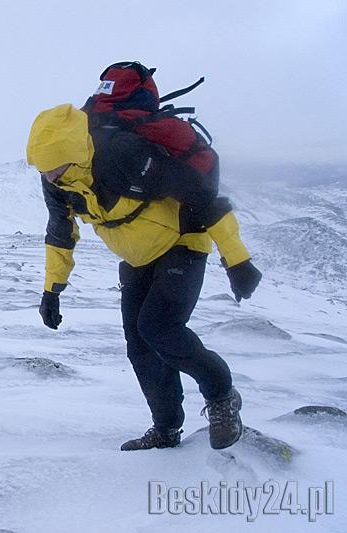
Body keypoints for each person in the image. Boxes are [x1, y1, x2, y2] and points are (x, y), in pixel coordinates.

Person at [25, 63, 262, 451]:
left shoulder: (123, 155)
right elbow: (61, 234)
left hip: (183, 243)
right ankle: (167, 430)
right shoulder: (58, 180)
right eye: (43, 169)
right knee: (139, 346)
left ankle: (222, 397)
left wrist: (236, 260)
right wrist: (52, 291)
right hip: (136, 258)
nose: (50, 177)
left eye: (56, 167)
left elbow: (203, 198)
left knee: (159, 329)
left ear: (73, 150)